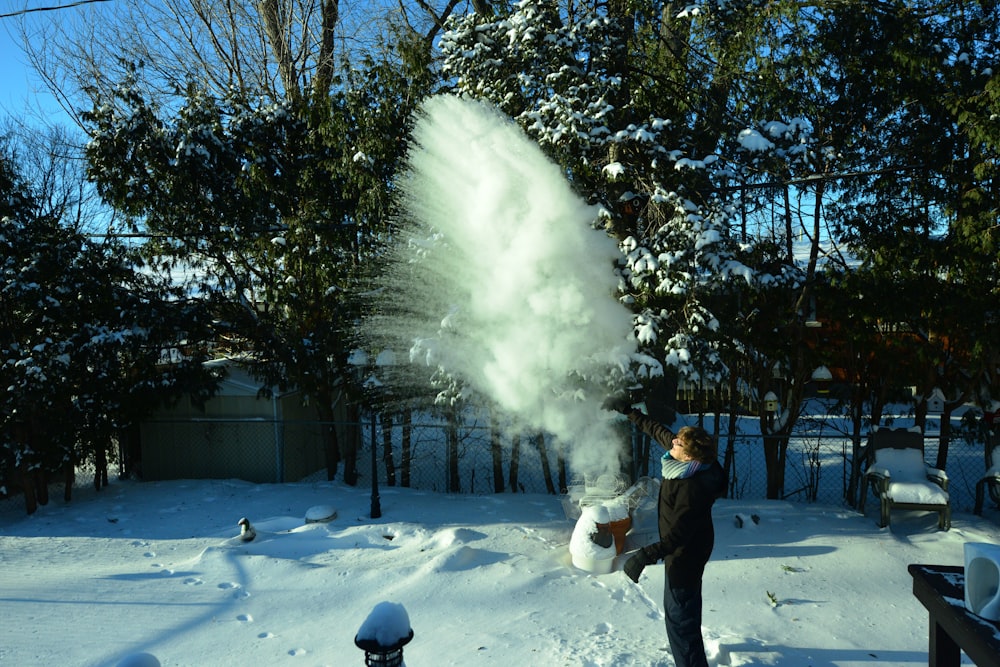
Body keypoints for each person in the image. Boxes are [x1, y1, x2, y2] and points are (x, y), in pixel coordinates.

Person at [619, 406, 726, 667]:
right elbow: (659, 432)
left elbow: (678, 535)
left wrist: (645, 555)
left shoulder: (693, 487)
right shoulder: (686, 463)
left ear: (688, 456)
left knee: (681, 620)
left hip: (685, 553)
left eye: (678, 443)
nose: (673, 442)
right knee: (683, 609)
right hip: (688, 546)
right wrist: (630, 412)